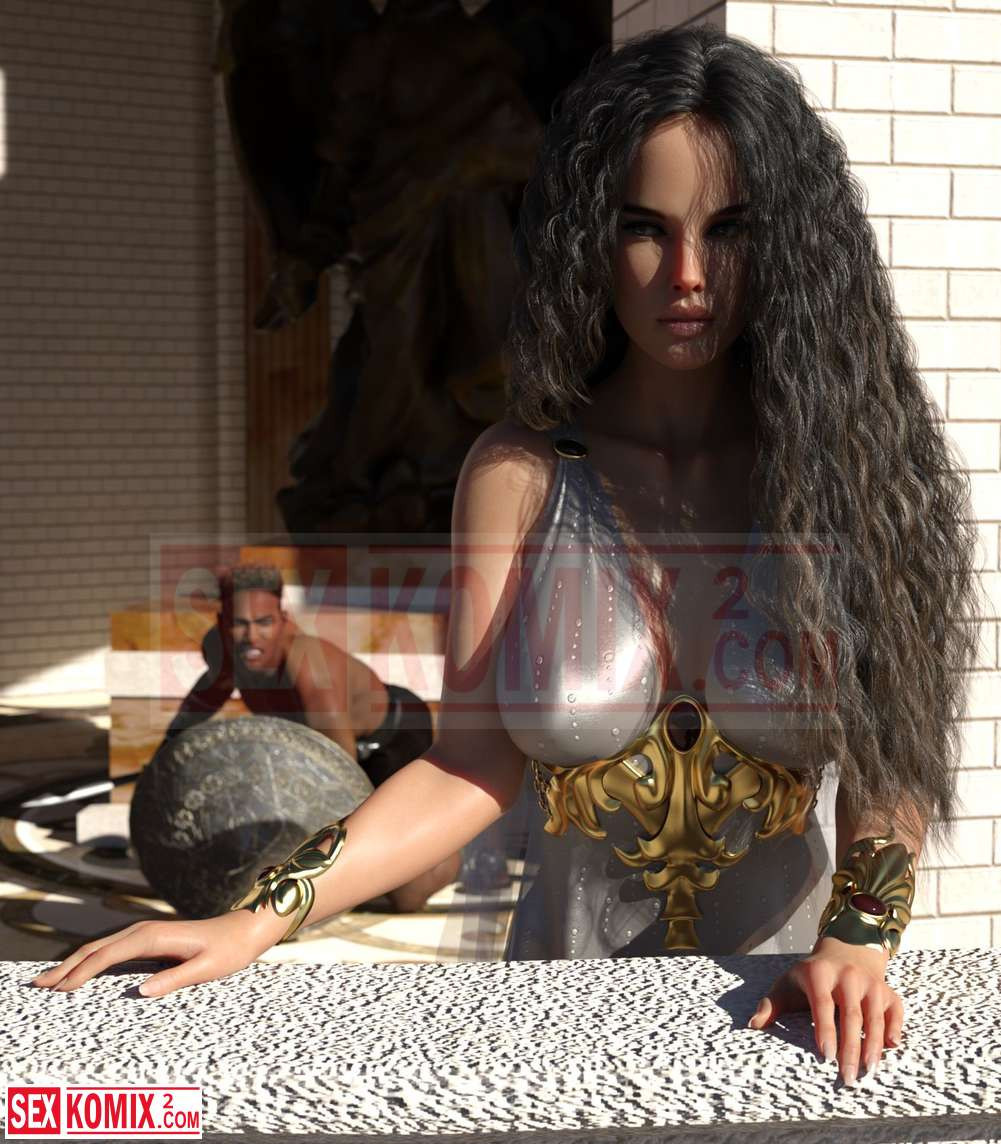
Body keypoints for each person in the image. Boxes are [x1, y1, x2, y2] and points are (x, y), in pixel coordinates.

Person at [33, 26, 981, 1092]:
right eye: (642, 228)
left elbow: (890, 752)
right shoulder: (519, 474)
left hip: (783, 1022)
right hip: (557, 1029)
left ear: (789, 243)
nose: (686, 275)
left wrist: (858, 936)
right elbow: (466, 764)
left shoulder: (843, 470)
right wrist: (252, 919)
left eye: (728, 230)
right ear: (588, 237)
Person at [151, 562, 463, 912]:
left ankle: (451, 852)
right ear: (223, 623)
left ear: (282, 619)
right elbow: (198, 707)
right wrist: (163, 761)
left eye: (264, 622)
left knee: (406, 896)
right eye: (240, 624)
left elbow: (339, 772)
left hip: (392, 736)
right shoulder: (225, 651)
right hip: (329, 745)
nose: (252, 636)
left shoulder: (309, 664)